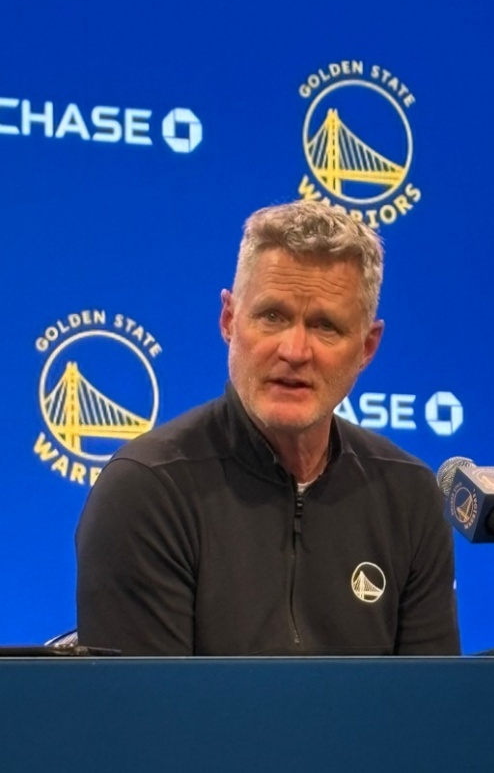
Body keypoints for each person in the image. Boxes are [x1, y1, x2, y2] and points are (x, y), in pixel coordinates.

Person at [76, 200, 460, 655]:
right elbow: (146, 702)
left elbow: (431, 699)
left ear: (367, 347)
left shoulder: (408, 496)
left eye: (325, 326)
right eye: (273, 316)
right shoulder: (148, 489)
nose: (294, 351)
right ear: (229, 320)